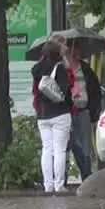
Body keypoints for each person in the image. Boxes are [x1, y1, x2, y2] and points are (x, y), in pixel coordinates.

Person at [31, 40, 73, 193]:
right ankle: (59, 184)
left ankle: (48, 185)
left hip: (43, 114)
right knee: (59, 150)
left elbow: (36, 91)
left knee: (47, 149)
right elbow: (66, 91)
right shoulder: (60, 68)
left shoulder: (37, 69)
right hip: (60, 113)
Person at [64, 42, 103, 179]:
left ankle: (86, 175)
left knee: (84, 146)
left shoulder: (86, 69)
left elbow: (95, 91)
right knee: (66, 145)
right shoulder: (62, 69)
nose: (77, 53)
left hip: (83, 112)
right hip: (66, 113)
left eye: (79, 51)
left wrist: (94, 112)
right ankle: (62, 177)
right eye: (74, 50)